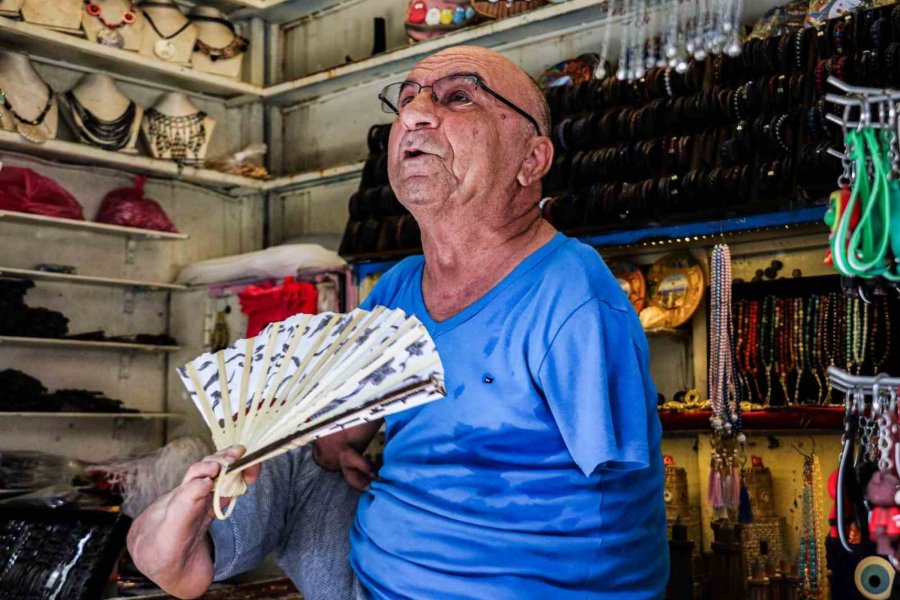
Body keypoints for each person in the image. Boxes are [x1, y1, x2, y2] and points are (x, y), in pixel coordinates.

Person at [127, 45, 668, 599]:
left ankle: (186, 545)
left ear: (531, 161)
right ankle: (189, 545)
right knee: (289, 444)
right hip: (370, 579)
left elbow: (618, 498)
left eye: (459, 97)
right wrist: (334, 441)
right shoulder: (397, 290)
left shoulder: (570, 291)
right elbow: (350, 424)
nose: (412, 115)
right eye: (406, 100)